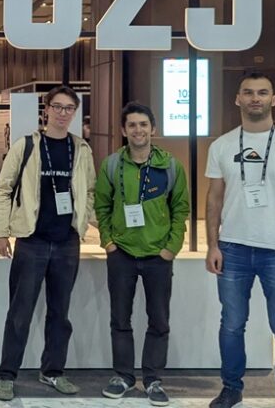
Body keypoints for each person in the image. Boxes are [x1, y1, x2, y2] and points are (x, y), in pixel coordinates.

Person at [205, 71, 275, 408]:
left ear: (273, 99)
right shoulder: (222, 145)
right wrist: (212, 245)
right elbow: (213, 199)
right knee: (232, 325)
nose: (255, 98)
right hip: (233, 249)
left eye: (262, 92)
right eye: (249, 92)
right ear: (237, 99)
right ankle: (231, 388)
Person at [0, 86, 96, 402]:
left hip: (67, 243)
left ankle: (52, 371)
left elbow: (89, 192)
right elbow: (4, 189)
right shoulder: (26, 146)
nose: (63, 113)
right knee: (20, 313)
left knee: (60, 314)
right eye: (57, 107)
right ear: (46, 109)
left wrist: (84, 223)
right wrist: (1, 231)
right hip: (32, 241)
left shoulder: (82, 149)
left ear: (74, 112)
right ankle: (7, 375)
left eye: (69, 108)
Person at [94, 102, 189, 406]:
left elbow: (181, 209)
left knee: (158, 320)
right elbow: (101, 205)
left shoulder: (170, 166)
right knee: (120, 319)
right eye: (132, 125)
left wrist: (171, 248)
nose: (138, 130)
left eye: (143, 124)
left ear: (153, 129)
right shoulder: (112, 165)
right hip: (121, 253)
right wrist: (108, 241)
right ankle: (123, 376)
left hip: (157, 256)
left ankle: (153, 379)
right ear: (124, 130)